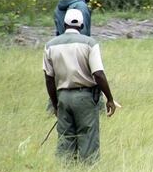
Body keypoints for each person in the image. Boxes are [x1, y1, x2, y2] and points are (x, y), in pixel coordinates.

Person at [44, 9, 118, 163]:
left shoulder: (50, 45)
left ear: (64, 24)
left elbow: (49, 78)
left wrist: (55, 103)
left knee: (66, 138)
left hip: (62, 96)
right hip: (85, 97)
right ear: (82, 24)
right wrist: (109, 98)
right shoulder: (90, 43)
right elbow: (98, 74)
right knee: (88, 138)